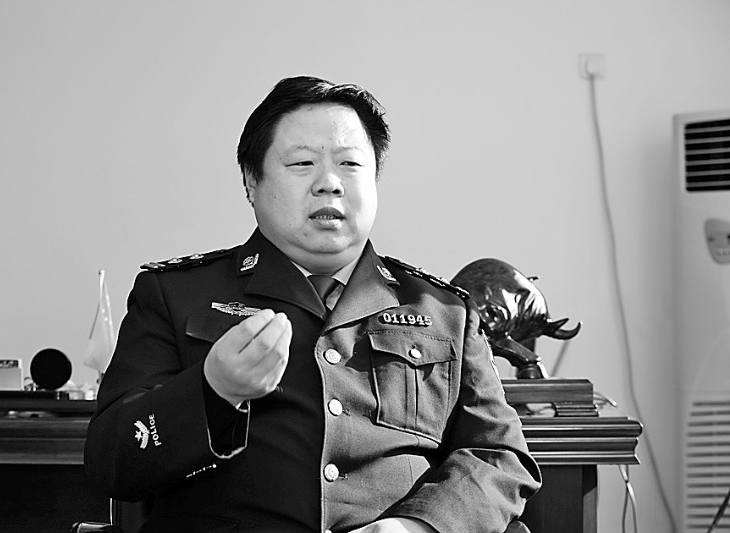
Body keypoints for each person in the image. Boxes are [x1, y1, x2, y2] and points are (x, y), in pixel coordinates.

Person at [84, 75, 542, 533]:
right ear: (251, 181)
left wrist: (419, 526)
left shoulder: (445, 311)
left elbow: (500, 456)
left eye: (350, 164)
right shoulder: (175, 294)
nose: (329, 184)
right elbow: (111, 462)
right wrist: (212, 391)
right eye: (302, 163)